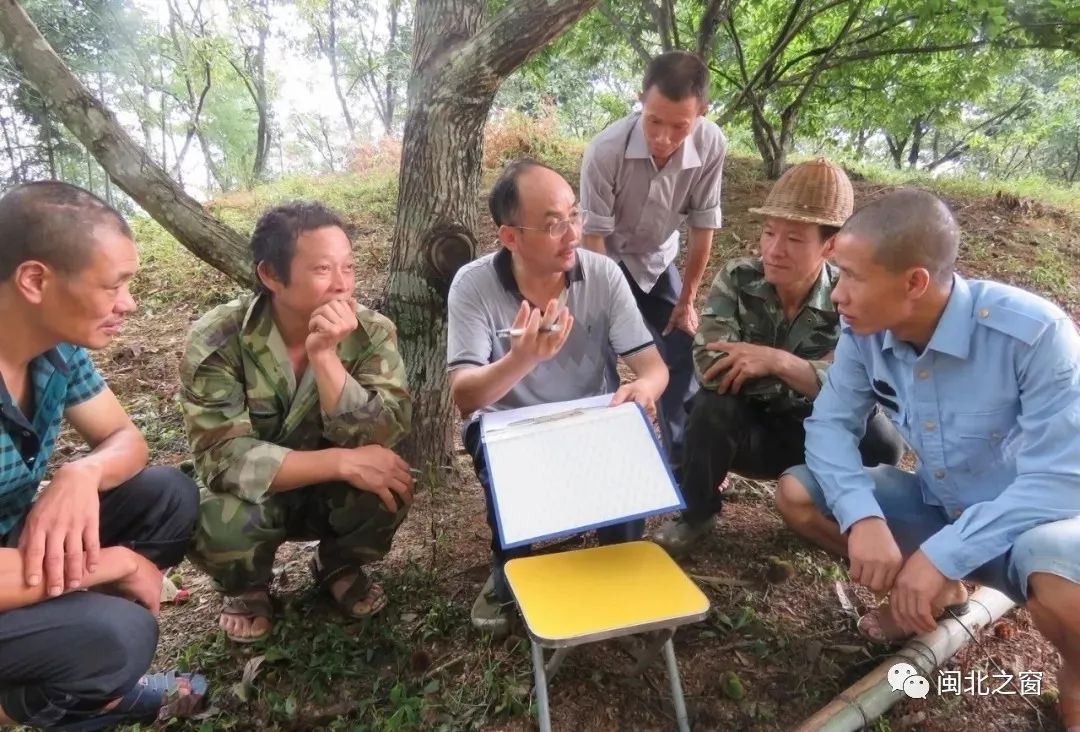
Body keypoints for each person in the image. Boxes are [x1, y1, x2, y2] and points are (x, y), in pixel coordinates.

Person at [774, 189, 1080, 729]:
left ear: (914, 282)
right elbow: (828, 426)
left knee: (1061, 576)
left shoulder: (1033, 335)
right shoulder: (863, 332)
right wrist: (862, 515)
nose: (837, 295)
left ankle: (1075, 674)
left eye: (851, 277)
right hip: (942, 505)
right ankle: (924, 598)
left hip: (1027, 528)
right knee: (800, 494)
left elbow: (1058, 482)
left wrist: (941, 555)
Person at [0, 182, 205, 730]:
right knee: (117, 637)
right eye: (114, 285)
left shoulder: (53, 347)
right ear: (35, 280)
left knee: (167, 495)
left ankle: (85, 677)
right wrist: (113, 564)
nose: (128, 304)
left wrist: (81, 473)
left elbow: (126, 440)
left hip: (10, 554)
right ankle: (66, 689)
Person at [448, 159, 669, 636]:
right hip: (511, 425)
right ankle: (510, 568)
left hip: (591, 416)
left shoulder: (603, 275)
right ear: (510, 237)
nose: (571, 234)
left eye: (574, 215)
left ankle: (618, 562)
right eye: (552, 225)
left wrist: (643, 390)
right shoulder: (474, 285)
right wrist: (522, 359)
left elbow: (653, 368)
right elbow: (465, 396)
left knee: (630, 449)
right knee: (508, 473)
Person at [181, 202, 413, 643]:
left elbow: (385, 433)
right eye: (323, 269)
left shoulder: (371, 332)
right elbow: (221, 458)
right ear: (271, 275)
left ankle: (337, 563)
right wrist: (340, 463)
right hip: (257, 496)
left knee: (388, 483)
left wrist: (325, 358)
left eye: (348, 266)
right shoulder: (218, 338)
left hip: (328, 496)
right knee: (217, 519)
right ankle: (248, 586)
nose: (342, 285)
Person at [654, 159, 904, 556]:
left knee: (883, 444)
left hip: (820, 434)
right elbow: (711, 366)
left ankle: (834, 505)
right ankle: (697, 514)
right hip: (750, 434)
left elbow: (862, 389)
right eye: (769, 233)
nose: (774, 249)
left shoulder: (849, 294)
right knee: (711, 407)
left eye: (794, 239)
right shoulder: (738, 279)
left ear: (830, 245)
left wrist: (774, 361)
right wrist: (816, 375)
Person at [580, 50, 726, 477]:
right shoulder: (605, 150)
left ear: (702, 112)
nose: (663, 138)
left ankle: (681, 457)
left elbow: (704, 222)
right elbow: (593, 237)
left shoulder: (712, 143)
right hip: (604, 256)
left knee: (681, 346)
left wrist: (688, 298)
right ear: (641, 99)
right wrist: (604, 309)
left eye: (679, 126)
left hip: (658, 259)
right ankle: (604, 457)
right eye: (654, 121)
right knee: (595, 350)